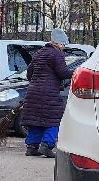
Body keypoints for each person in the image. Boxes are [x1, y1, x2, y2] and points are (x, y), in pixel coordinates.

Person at [18, 29, 72, 157]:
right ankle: (47, 146)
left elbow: (29, 73)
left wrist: (37, 83)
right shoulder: (56, 55)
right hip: (49, 93)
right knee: (54, 119)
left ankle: (31, 147)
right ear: (59, 44)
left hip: (33, 92)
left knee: (36, 120)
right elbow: (63, 73)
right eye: (64, 45)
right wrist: (76, 73)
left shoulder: (39, 53)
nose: (64, 48)